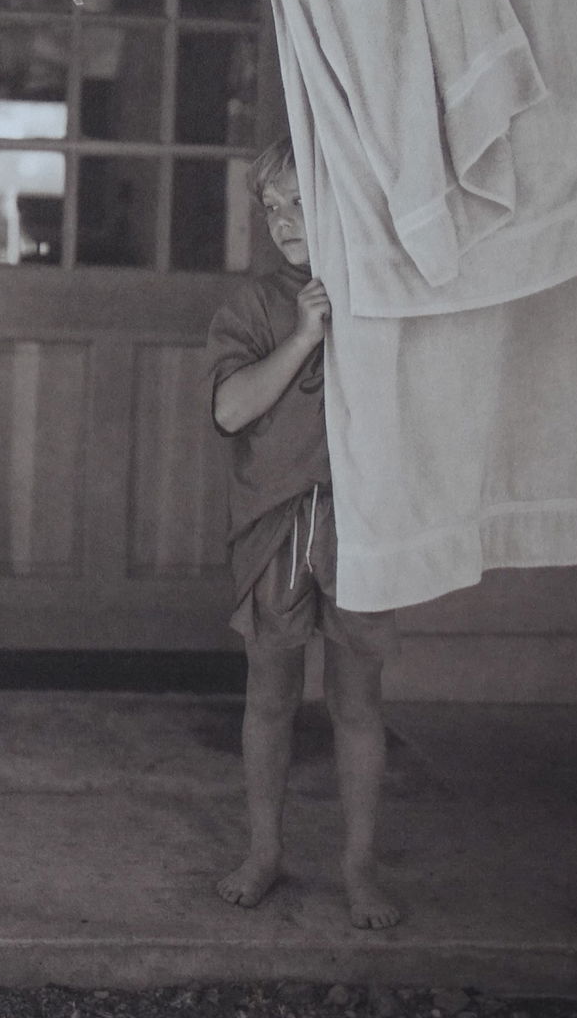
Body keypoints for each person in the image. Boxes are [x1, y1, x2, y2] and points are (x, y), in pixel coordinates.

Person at [206, 137, 401, 930]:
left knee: (357, 703)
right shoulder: (252, 306)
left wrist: (348, 317)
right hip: (276, 523)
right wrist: (302, 336)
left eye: (300, 200)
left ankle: (358, 865)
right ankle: (265, 850)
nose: (284, 219)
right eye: (272, 206)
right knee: (271, 696)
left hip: (359, 525)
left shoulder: (381, 294)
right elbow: (229, 410)